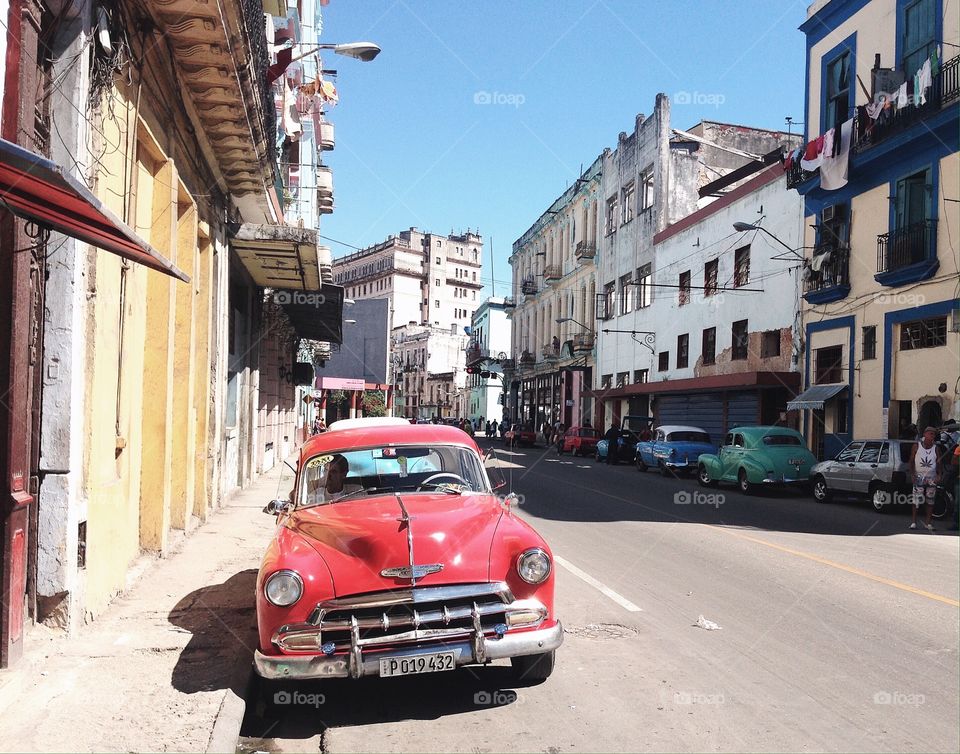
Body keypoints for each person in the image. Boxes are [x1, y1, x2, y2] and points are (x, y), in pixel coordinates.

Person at [908, 427, 942, 531]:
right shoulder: (916, 446)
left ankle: (928, 523)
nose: (933, 436)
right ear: (925, 434)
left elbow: (939, 462)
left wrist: (939, 475)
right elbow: (911, 461)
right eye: (931, 434)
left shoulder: (936, 448)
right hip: (919, 477)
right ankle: (914, 522)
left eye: (934, 434)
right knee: (916, 500)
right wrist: (912, 474)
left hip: (931, 478)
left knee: (930, 501)